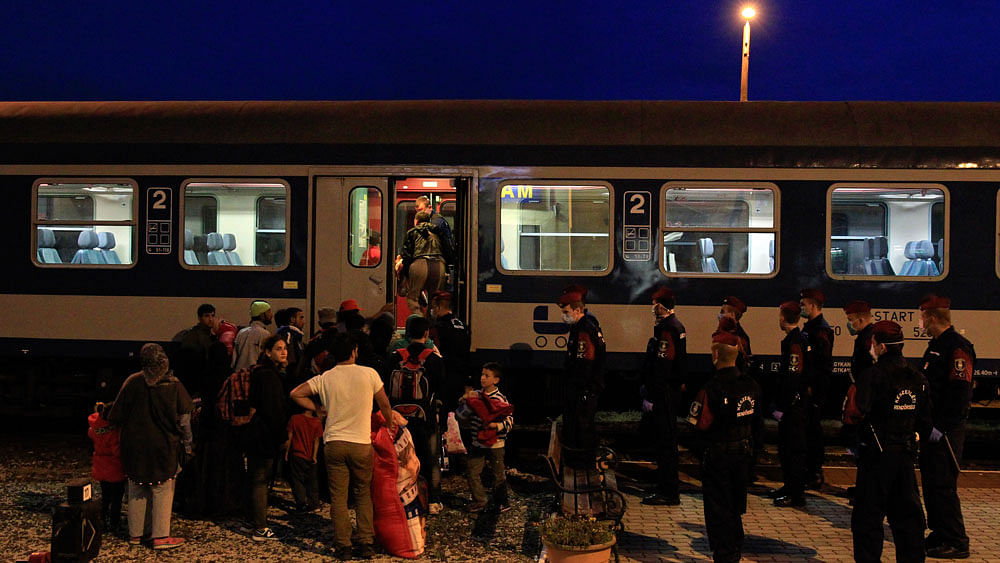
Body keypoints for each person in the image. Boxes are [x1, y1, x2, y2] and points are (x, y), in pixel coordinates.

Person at [290, 332, 394, 561]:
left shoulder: (326, 377)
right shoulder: (369, 374)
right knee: (363, 493)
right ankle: (366, 542)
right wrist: (390, 423)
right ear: (354, 351)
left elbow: (296, 393)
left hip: (334, 443)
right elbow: (384, 403)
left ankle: (343, 546)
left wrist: (317, 409)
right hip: (360, 443)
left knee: (338, 497)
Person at [847, 320, 931, 563]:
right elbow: (925, 419)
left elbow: (856, 414)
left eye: (872, 343)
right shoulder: (917, 376)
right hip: (904, 456)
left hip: (876, 455)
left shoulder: (872, 376)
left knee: (867, 519)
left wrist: (854, 441)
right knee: (908, 518)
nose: (870, 348)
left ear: (881, 346)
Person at [106, 343, 193, 550]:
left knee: (137, 488)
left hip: (134, 446)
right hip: (164, 447)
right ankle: (160, 536)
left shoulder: (132, 382)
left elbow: (115, 416)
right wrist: (188, 445)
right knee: (162, 489)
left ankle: (136, 535)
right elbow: (185, 419)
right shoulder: (174, 384)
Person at [688, 317, 760, 563]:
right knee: (735, 508)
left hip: (718, 458)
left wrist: (702, 453)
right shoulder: (750, 385)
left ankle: (724, 556)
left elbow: (698, 427)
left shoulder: (711, 389)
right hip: (743, 455)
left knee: (718, 511)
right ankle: (735, 552)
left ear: (716, 356)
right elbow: (757, 423)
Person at [918, 294, 975, 559]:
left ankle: (956, 540)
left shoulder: (956, 347)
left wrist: (941, 426)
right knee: (931, 484)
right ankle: (940, 532)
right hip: (933, 428)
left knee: (943, 486)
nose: (920, 321)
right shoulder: (937, 345)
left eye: (922, 316)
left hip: (946, 431)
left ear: (931, 317)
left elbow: (959, 392)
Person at [388, 315, 446, 515]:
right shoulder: (433, 358)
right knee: (430, 458)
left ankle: (400, 498)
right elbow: (441, 388)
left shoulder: (395, 356)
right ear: (426, 334)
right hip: (425, 418)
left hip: (399, 419)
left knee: (400, 458)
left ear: (408, 333)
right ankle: (433, 500)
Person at [640, 285, 686, 506]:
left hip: (664, 393)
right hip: (668, 391)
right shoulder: (674, 326)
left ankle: (668, 491)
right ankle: (666, 486)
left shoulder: (668, 329)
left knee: (666, 443)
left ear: (661, 306)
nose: (651, 308)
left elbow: (663, 366)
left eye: (653, 304)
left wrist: (652, 395)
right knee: (666, 442)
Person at [244, 335, 289, 541]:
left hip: (255, 431)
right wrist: (282, 436)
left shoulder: (259, 372)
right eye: (278, 348)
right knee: (261, 479)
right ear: (268, 352)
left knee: (256, 478)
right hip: (265, 434)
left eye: (285, 348)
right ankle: (260, 527)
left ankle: (252, 519)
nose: (283, 352)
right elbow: (275, 410)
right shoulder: (270, 376)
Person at [558, 286, 606, 467]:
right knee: (581, 425)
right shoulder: (584, 325)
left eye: (566, 311)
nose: (563, 315)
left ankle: (581, 464)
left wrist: (581, 389)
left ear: (577, 310)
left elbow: (585, 364)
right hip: (585, 388)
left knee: (581, 427)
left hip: (582, 389)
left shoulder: (584, 330)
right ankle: (580, 461)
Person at [456, 362, 514, 513]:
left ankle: (502, 502)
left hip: (496, 444)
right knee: (472, 471)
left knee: (498, 474)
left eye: (486, 375)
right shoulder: (476, 396)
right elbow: (461, 416)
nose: (482, 378)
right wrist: (465, 403)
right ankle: (480, 500)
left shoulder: (500, 399)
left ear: (496, 380)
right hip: (477, 442)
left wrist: (497, 426)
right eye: (482, 374)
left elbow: (509, 420)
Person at [771, 301, 809, 508]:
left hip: (793, 408)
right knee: (787, 450)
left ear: (784, 317)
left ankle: (795, 494)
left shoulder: (795, 342)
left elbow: (793, 376)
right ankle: (789, 487)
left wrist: (783, 405)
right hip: (793, 405)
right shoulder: (795, 339)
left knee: (793, 451)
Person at [800, 288, 834, 489]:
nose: (801, 306)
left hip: (815, 390)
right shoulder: (812, 327)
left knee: (813, 431)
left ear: (813, 305)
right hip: (812, 388)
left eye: (804, 303)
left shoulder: (820, 330)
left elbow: (822, 364)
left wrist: (814, 389)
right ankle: (811, 469)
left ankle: (814, 471)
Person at [429, 291, 472, 424]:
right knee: (455, 416)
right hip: (460, 376)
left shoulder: (438, 327)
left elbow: (436, 351)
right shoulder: (462, 325)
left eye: (433, 308)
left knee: (444, 414)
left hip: (445, 376)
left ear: (439, 307)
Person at [398, 211, 449, 312]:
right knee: (434, 299)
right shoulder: (438, 231)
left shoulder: (412, 232)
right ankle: (432, 323)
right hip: (439, 264)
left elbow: (407, 255)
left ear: (416, 220)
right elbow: (447, 250)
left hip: (419, 264)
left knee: (413, 298)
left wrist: (405, 273)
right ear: (429, 220)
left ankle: (419, 322)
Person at [88, 401, 125, 533]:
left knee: (105, 496)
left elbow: (90, 434)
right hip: (114, 468)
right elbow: (117, 451)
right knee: (116, 498)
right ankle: (114, 523)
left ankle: (102, 520)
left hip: (101, 466)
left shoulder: (95, 428)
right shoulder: (114, 432)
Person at [286, 408, 324, 512]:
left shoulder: (295, 419)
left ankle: (301, 503)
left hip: (297, 453)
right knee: (312, 480)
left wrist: (286, 452)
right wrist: (314, 455)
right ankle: (314, 503)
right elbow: (316, 440)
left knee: (297, 480)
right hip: (310, 455)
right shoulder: (317, 422)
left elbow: (290, 436)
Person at [174, 303, 217, 392]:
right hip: (197, 378)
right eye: (207, 316)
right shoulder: (193, 335)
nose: (211, 319)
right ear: (200, 318)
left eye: (212, 316)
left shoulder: (211, 334)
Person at [414, 195, 455, 266]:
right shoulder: (434, 220)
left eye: (421, 210)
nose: (419, 214)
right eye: (417, 211)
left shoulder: (436, 223)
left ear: (429, 207)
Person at [233, 300, 273, 370]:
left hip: (239, 374)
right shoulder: (265, 334)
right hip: (255, 374)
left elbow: (234, 359)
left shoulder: (241, 332)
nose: (271, 315)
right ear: (261, 314)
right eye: (268, 311)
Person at [276, 306, 306, 376]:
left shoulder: (296, 336)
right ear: (292, 319)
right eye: (301, 318)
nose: (303, 322)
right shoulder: (288, 335)